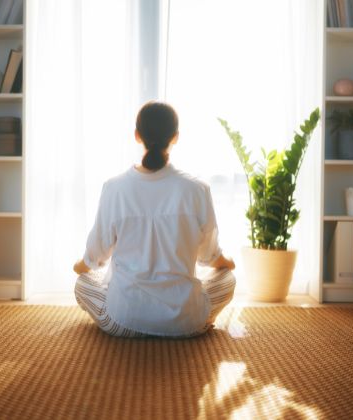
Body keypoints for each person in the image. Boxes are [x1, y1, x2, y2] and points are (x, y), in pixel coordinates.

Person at [73, 101, 236, 338]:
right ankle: (195, 318)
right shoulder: (198, 189)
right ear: (176, 137)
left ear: (137, 136)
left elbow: (95, 255)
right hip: (186, 325)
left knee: (82, 283)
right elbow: (209, 256)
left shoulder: (114, 188)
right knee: (227, 279)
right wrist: (226, 262)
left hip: (122, 322)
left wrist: (80, 268)